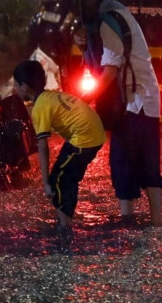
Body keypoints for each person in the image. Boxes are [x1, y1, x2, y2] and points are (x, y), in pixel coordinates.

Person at [73, 0, 162, 226]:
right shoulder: (115, 15)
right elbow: (97, 63)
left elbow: (109, 71)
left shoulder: (108, 22)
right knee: (133, 159)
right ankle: (147, 221)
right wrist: (84, 45)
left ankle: (140, 220)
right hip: (140, 99)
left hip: (136, 101)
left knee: (130, 159)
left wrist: (82, 101)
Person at [13, 60, 106, 234]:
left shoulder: (39, 107)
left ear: (24, 86)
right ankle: (66, 221)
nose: (15, 90)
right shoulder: (51, 96)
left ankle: (65, 229)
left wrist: (46, 182)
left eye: (16, 85)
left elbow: (43, 147)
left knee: (58, 182)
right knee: (68, 178)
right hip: (93, 133)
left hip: (85, 138)